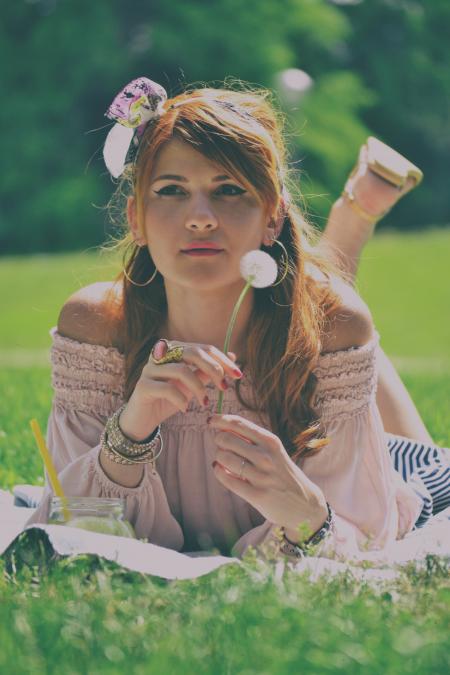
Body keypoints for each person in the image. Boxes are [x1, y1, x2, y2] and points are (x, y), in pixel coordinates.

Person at [25, 77, 449, 563]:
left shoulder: (336, 328)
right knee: (329, 309)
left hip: (399, 471)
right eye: (171, 190)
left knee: (342, 330)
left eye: (228, 189)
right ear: (136, 218)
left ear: (273, 218)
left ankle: (348, 229)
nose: (201, 217)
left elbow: (368, 536)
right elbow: (72, 532)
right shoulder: (99, 326)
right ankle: (342, 242)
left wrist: (307, 509)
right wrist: (130, 433)